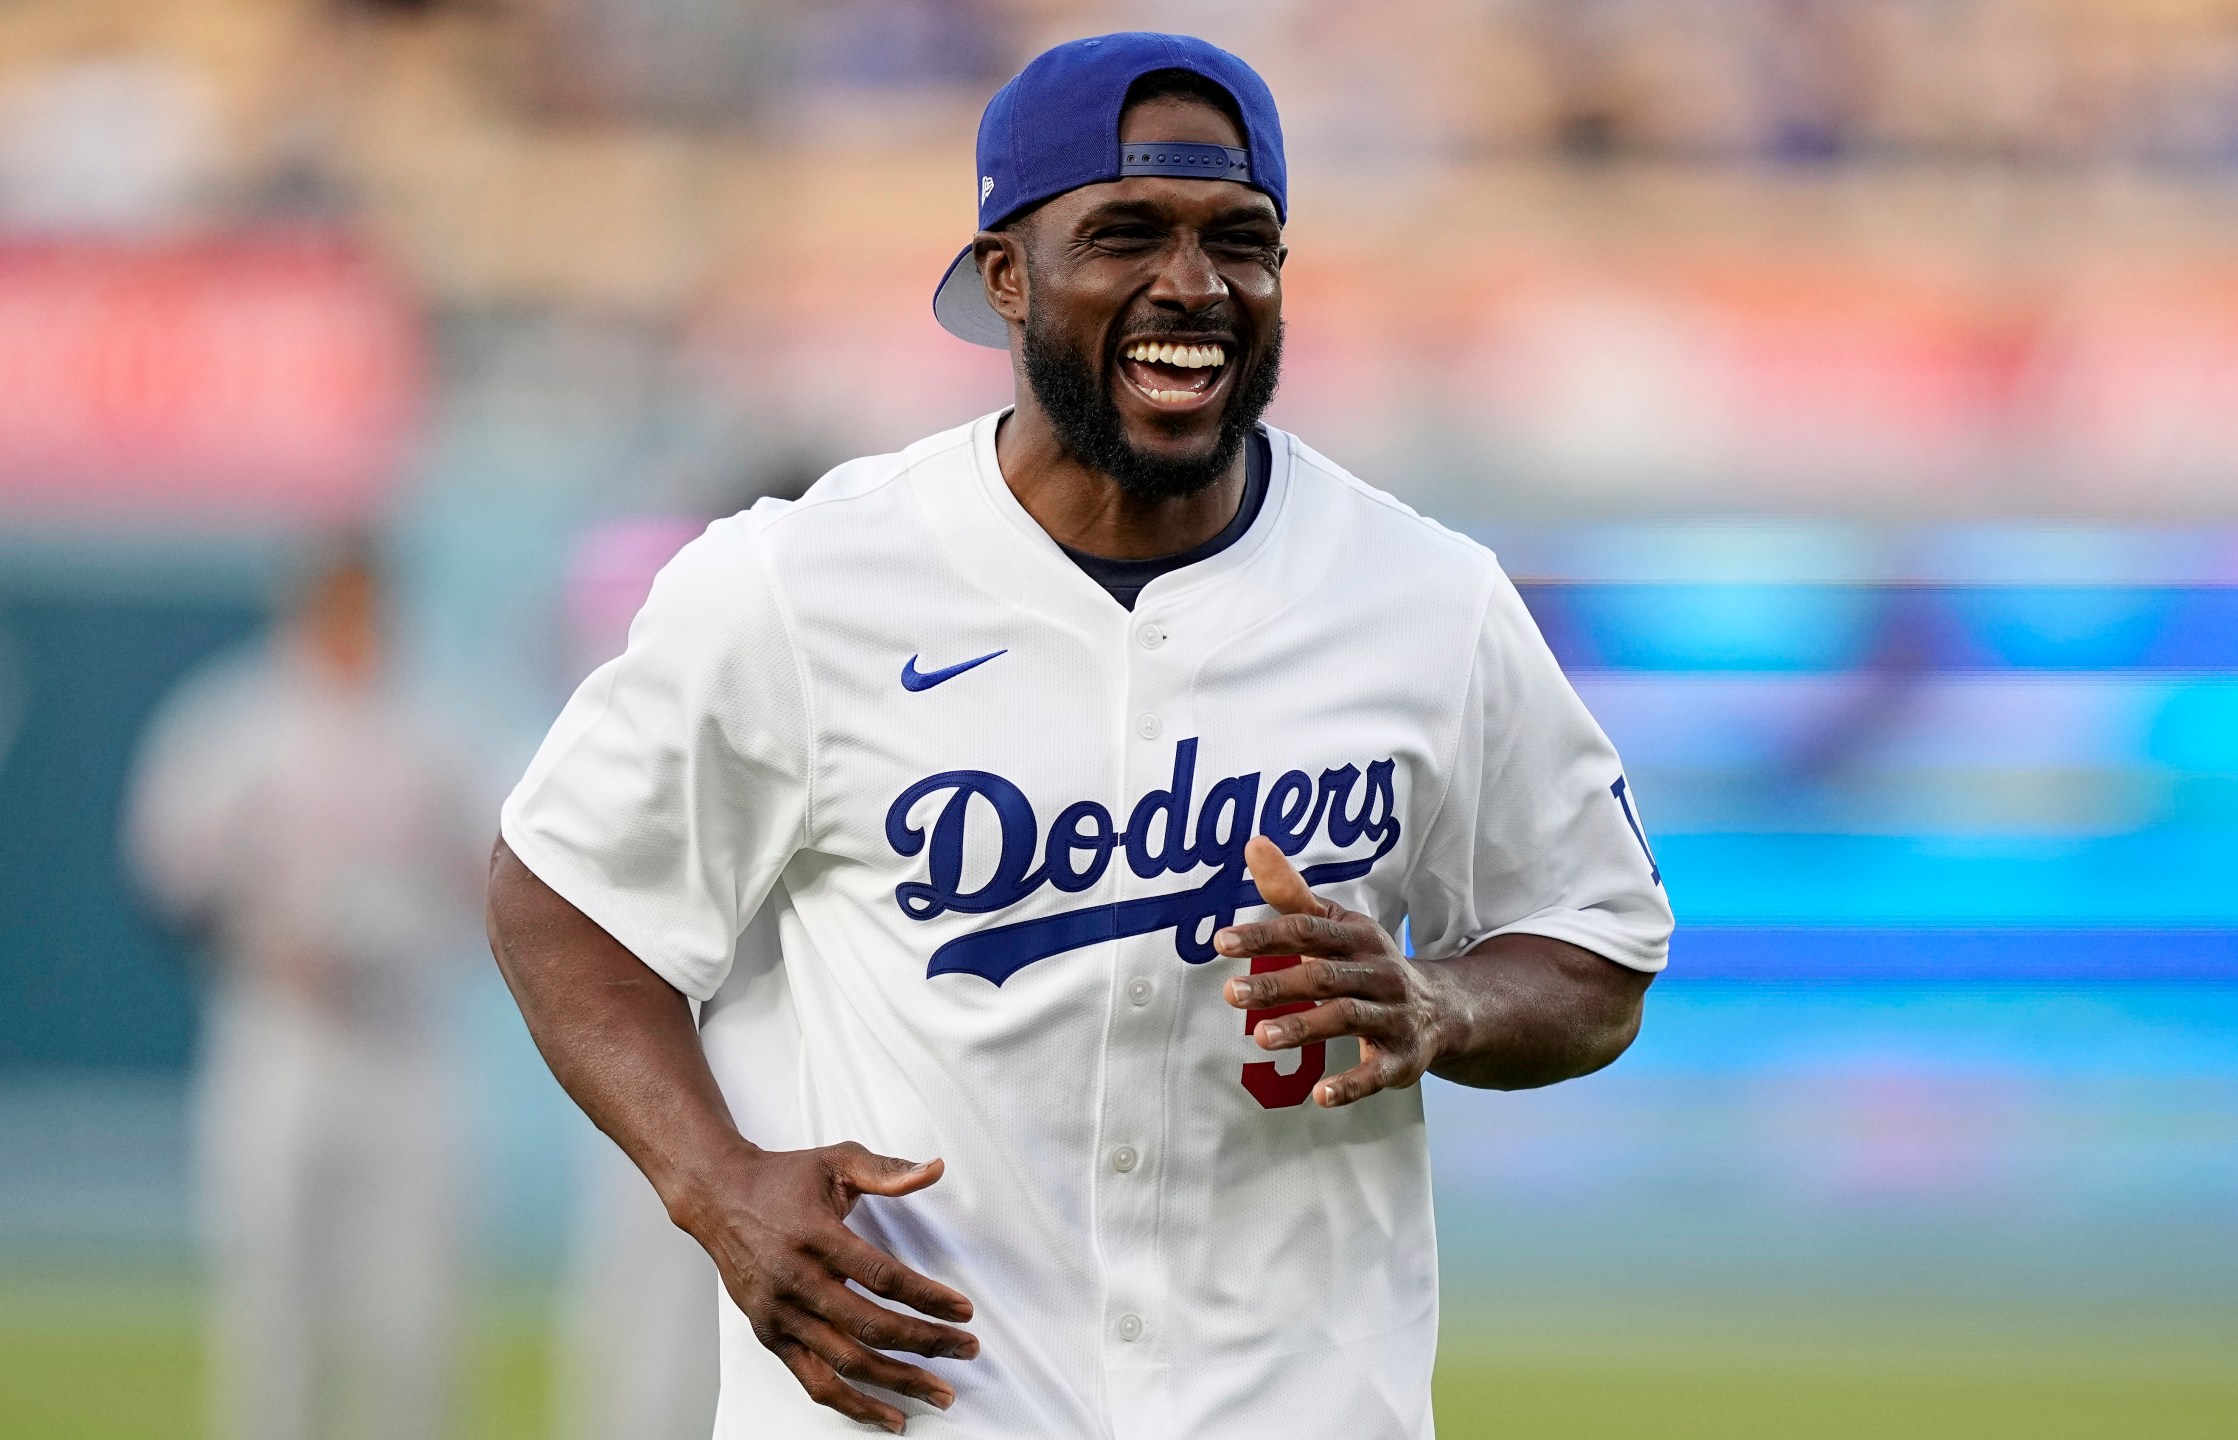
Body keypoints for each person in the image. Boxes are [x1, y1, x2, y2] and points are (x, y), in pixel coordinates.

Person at [487, 32, 1672, 1439]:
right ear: (1006, 277)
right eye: (1126, 234)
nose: (1192, 284)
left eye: (1242, 240)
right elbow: (558, 896)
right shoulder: (799, 587)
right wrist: (713, 1184)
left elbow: (1597, 953)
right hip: (925, 1408)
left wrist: (1443, 1004)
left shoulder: (1427, 600)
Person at [126, 540, 482, 1440]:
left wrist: (429, 929)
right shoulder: (236, 721)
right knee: (274, 1306)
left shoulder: (436, 725)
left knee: (414, 1313)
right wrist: (260, 947)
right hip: (280, 1034)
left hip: (406, 1039)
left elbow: (498, 880)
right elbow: (169, 884)